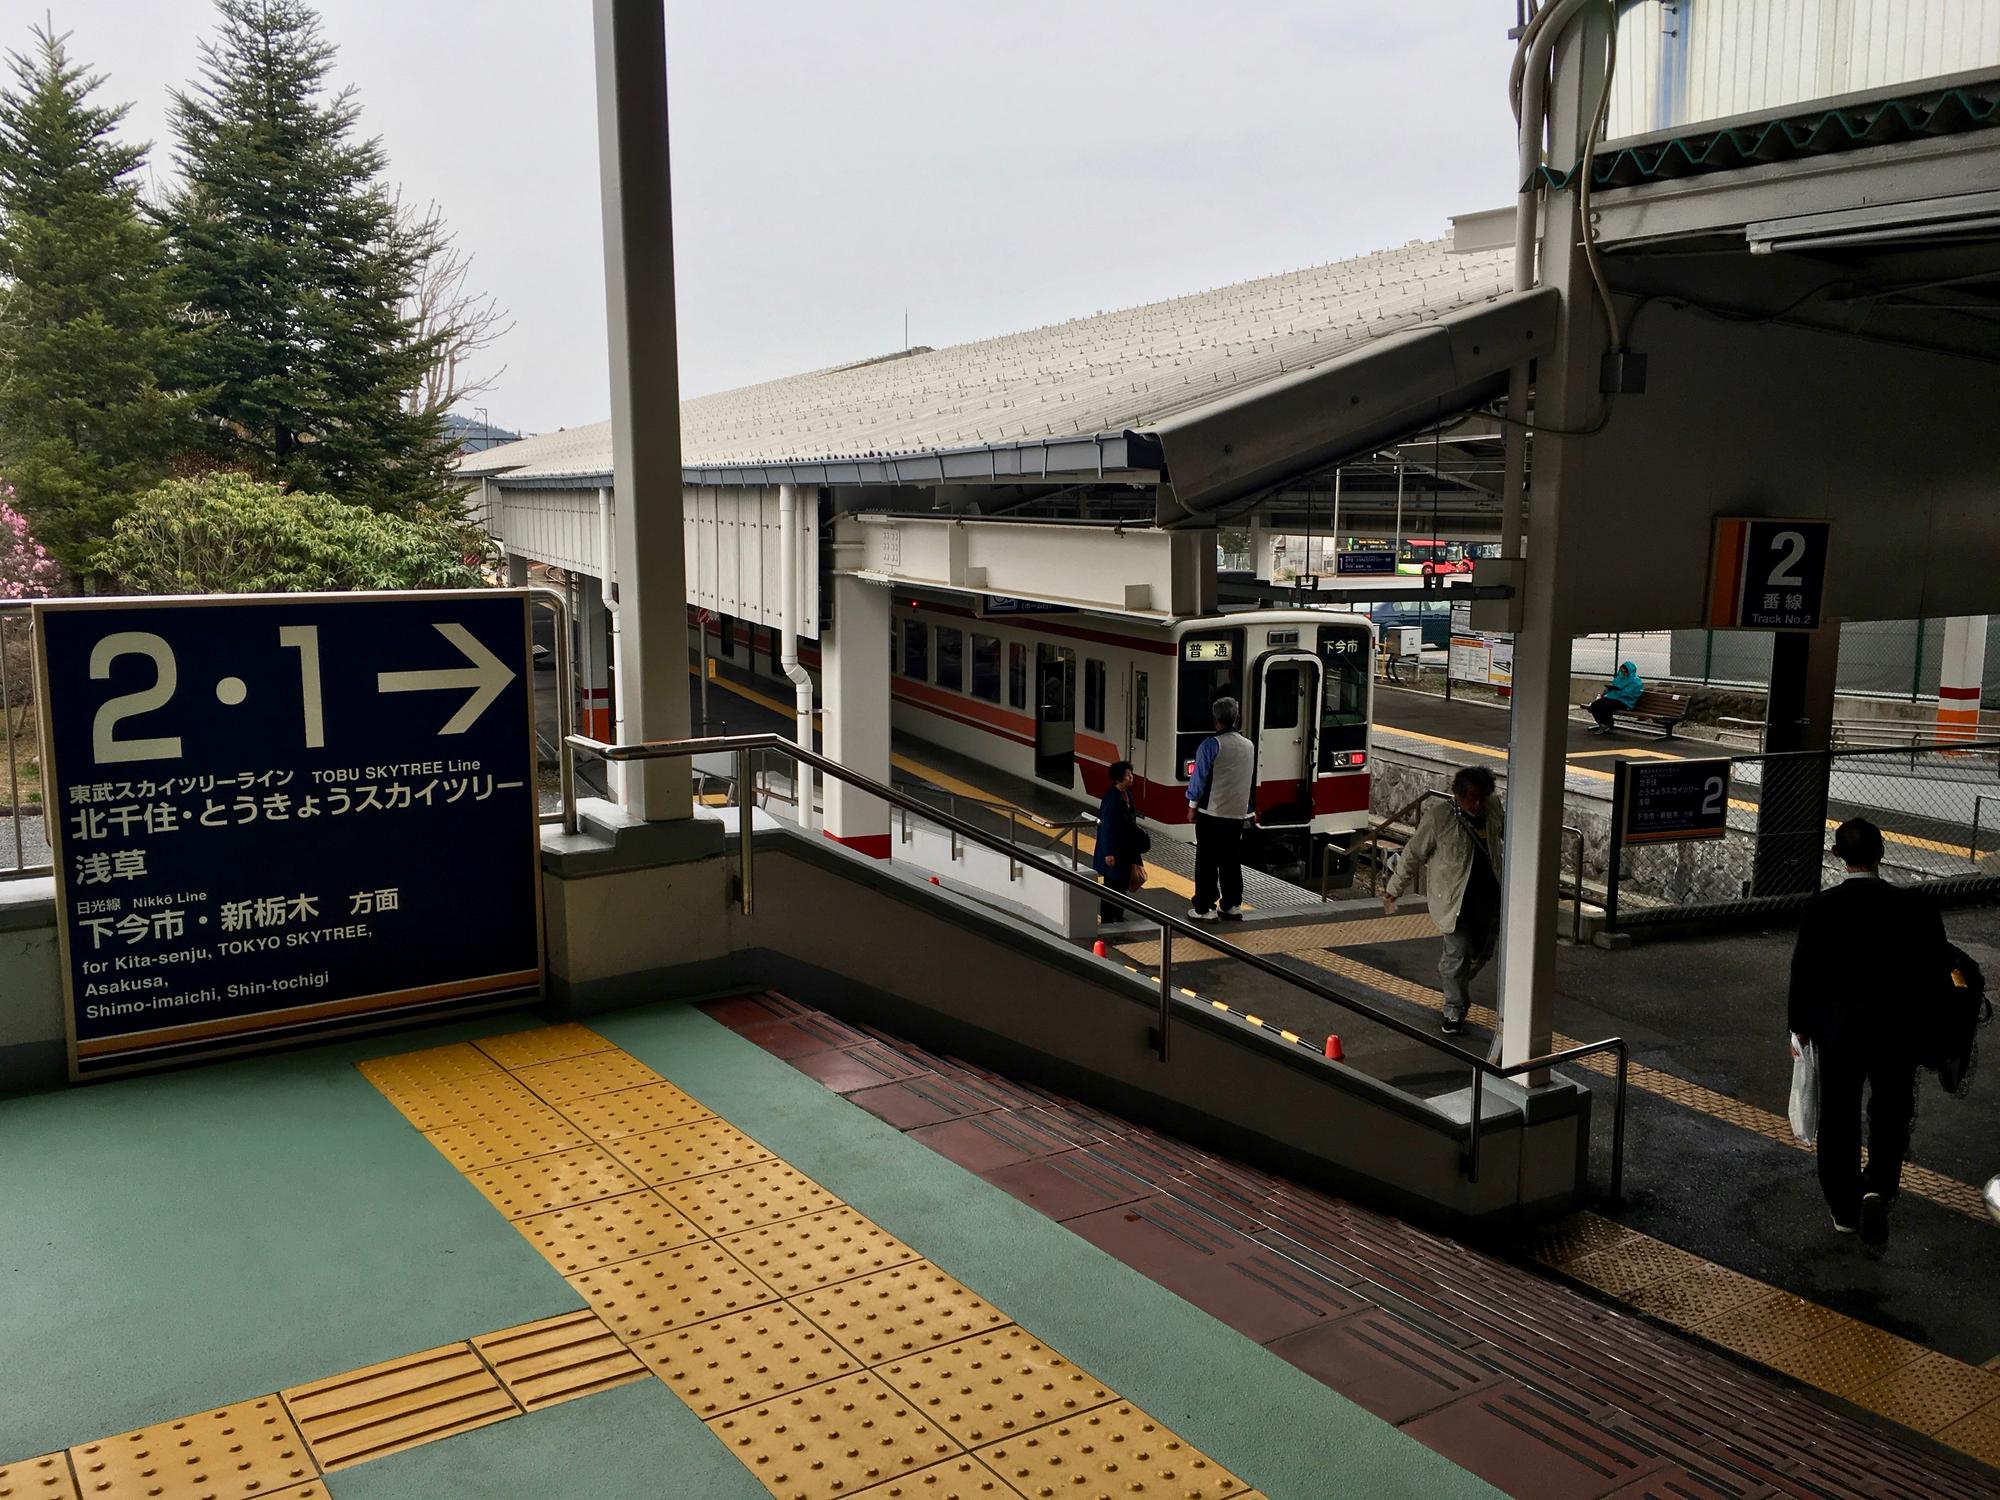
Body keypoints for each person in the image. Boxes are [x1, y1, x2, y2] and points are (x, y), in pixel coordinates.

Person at [1789, 817, 1949, 1246]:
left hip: (1838, 1032)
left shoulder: (1819, 908)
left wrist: (1799, 1029)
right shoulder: (1916, 907)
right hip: (1898, 1031)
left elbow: (1803, 972)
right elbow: (1936, 973)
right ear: (1881, 853)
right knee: (1891, 1111)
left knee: (1839, 1115)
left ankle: (1844, 1209)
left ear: (1837, 856)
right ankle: (1879, 1186)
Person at [1382, 766, 1505, 1035]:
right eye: (1471, 798)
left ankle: (1453, 977)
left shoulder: (1493, 807)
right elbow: (1413, 853)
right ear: (1457, 796)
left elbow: (1503, 836)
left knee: (1483, 953)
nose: (1477, 804)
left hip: (1489, 897)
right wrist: (1395, 887)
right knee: (1457, 955)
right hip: (1455, 902)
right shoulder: (1439, 818)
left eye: (1482, 797)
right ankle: (1454, 1007)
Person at [1186, 697, 1254, 921]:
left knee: (1206, 861)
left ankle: (1205, 907)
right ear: (1236, 717)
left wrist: (1192, 806)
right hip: (1237, 814)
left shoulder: (1210, 745)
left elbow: (1199, 779)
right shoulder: (1248, 745)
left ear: (1215, 719)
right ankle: (1232, 904)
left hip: (1211, 813)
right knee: (1231, 860)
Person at [1092, 760, 1149, 924]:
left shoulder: (1127, 796)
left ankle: (1117, 914)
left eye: (1131, 774)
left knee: (1122, 883)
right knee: (1112, 884)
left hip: (1126, 850)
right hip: (1114, 852)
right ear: (1118, 779)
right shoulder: (1112, 799)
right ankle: (1108, 917)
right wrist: (1108, 853)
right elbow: (1107, 828)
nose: (1131, 778)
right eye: (1128, 775)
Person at [1583, 661, 1644, 734]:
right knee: (1595, 705)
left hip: (1625, 702)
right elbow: (1614, 686)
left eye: (1625, 671)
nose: (1623, 673)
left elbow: (1631, 694)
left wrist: (1619, 691)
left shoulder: (1636, 682)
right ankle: (1602, 724)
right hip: (1613, 697)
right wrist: (1609, 690)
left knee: (1607, 706)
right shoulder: (1619, 678)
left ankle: (1609, 724)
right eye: (1622, 670)